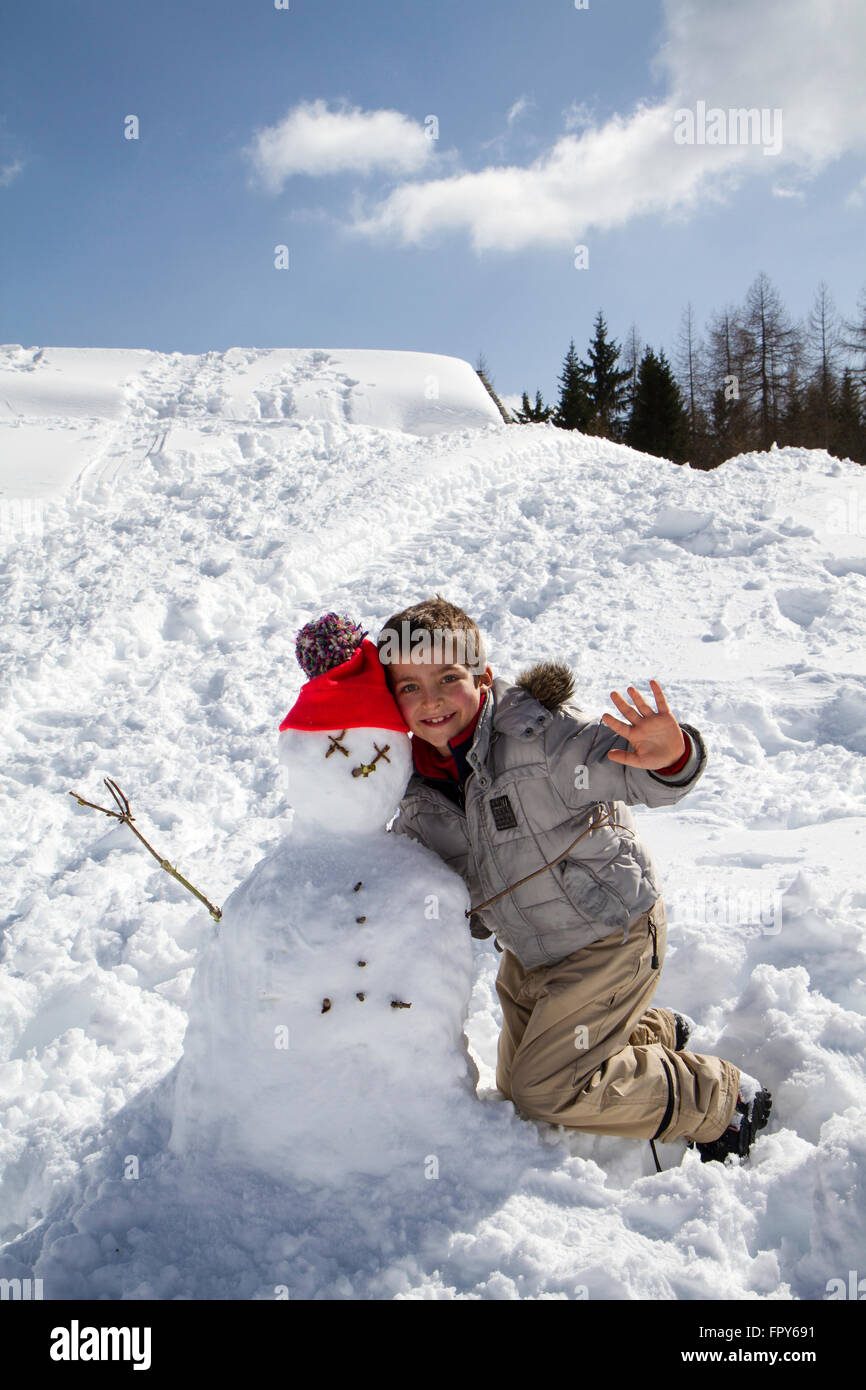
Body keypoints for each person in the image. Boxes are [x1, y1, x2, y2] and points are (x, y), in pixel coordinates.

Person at [377, 594, 772, 1163]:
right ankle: (642, 1034)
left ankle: (719, 1101)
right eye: (409, 687)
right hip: (533, 956)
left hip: (611, 935)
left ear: (483, 676)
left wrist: (670, 755)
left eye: (448, 677)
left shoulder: (542, 737)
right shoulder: (413, 790)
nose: (432, 700)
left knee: (546, 1089)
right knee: (519, 1090)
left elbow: (641, 776)